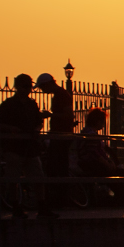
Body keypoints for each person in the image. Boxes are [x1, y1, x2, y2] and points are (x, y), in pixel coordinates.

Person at [0, 73, 55, 218]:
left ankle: (41, 207)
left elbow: (38, 122)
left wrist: (37, 129)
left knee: (38, 177)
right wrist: (11, 129)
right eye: (25, 86)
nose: (27, 89)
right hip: (14, 147)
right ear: (17, 87)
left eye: (29, 86)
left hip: (30, 147)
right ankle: (16, 207)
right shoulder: (7, 105)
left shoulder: (32, 104)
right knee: (13, 179)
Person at [74, 109, 124, 206]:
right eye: (102, 121)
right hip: (91, 165)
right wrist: (106, 163)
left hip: (92, 164)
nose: (103, 124)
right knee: (117, 173)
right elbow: (94, 154)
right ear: (97, 121)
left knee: (118, 173)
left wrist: (108, 161)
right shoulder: (91, 135)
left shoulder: (89, 132)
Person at [37, 73, 75, 207]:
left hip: (60, 136)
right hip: (60, 135)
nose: (42, 91)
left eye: (42, 88)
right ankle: (61, 198)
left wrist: (51, 114)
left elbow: (68, 115)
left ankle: (60, 198)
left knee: (56, 167)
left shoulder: (61, 95)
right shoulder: (61, 95)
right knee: (58, 167)